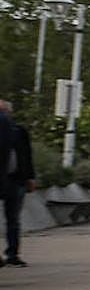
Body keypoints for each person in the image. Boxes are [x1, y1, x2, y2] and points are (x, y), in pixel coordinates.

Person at [0, 100, 35, 267]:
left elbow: (27, 155)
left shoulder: (19, 131)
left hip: (16, 179)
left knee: (13, 218)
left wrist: (30, 177)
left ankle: (12, 253)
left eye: (4, 111)